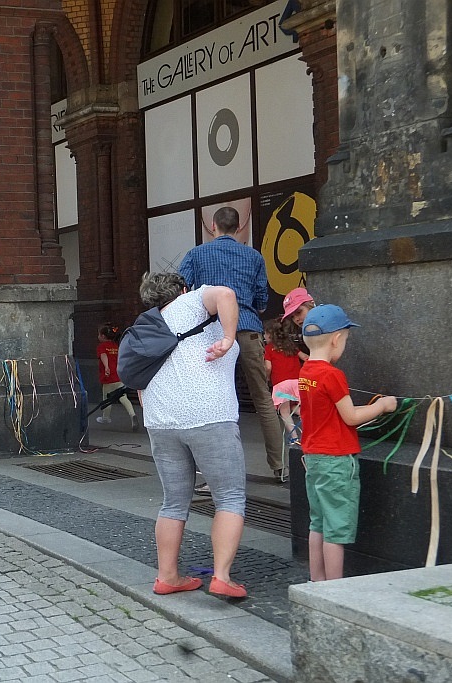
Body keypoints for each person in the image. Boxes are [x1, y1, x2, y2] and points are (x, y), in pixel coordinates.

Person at [136, 272, 248, 599]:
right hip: (208, 415)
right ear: (182, 289)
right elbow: (226, 291)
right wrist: (228, 338)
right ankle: (223, 576)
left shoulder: (148, 325)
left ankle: (167, 576)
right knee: (229, 497)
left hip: (160, 420)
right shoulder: (191, 302)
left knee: (173, 501)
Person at [179, 206, 286, 482]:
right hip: (248, 329)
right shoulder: (253, 256)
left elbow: (182, 292)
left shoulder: (196, 254)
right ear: (239, 228)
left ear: (213, 226)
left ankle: (207, 471)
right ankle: (279, 466)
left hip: (213, 331)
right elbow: (262, 299)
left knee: (208, 399)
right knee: (263, 398)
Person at [298, 305, 397, 581]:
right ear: (336, 339)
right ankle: (335, 588)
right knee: (336, 528)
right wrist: (382, 406)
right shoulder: (332, 375)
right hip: (336, 461)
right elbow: (351, 417)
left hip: (314, 459)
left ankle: (316, 581)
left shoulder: (306, 372)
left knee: (317, 523)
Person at [264, 318, 307, 446]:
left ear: (270, 334)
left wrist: (267, 378)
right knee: (297, 408)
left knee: (285, 412)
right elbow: (305, 357)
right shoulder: (291, 346)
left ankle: (294, 438)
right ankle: (309, 432)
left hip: (281, 385)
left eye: (265, 333)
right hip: (297, 382)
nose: (264, 336)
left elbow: (268, 367)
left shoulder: (269, 348)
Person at [95, 323, 139, 431]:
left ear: (103, 336)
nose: (98, 336)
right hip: (119, 376)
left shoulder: (102, 347)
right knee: (123, 397)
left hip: (108, 377)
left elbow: (103, 355)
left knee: (107, 398)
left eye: (99, 335)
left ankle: (106, 418)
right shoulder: (116, 346)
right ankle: (132, 414)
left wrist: (106, 367)